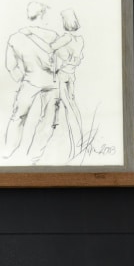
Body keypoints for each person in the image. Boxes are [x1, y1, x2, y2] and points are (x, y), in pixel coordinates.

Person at [3, 1, 59, 160]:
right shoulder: (54, 36)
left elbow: (10, 65)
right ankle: (36, 155)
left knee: (18, 117)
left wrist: (23, 79)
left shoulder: (15, 37)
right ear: (43, 13)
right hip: (52, 83)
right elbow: (59, 64)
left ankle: (9, 150)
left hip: (30, 80)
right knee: (48, 121)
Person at [49, 9, 85, 157]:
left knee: (66, 105)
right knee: (70, 103)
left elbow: (50, 47)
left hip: (62, 74)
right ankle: (79, 135)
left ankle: (77, 139)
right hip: (71, 74)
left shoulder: (66, 38)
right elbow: (79, 57)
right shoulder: (80, 39)